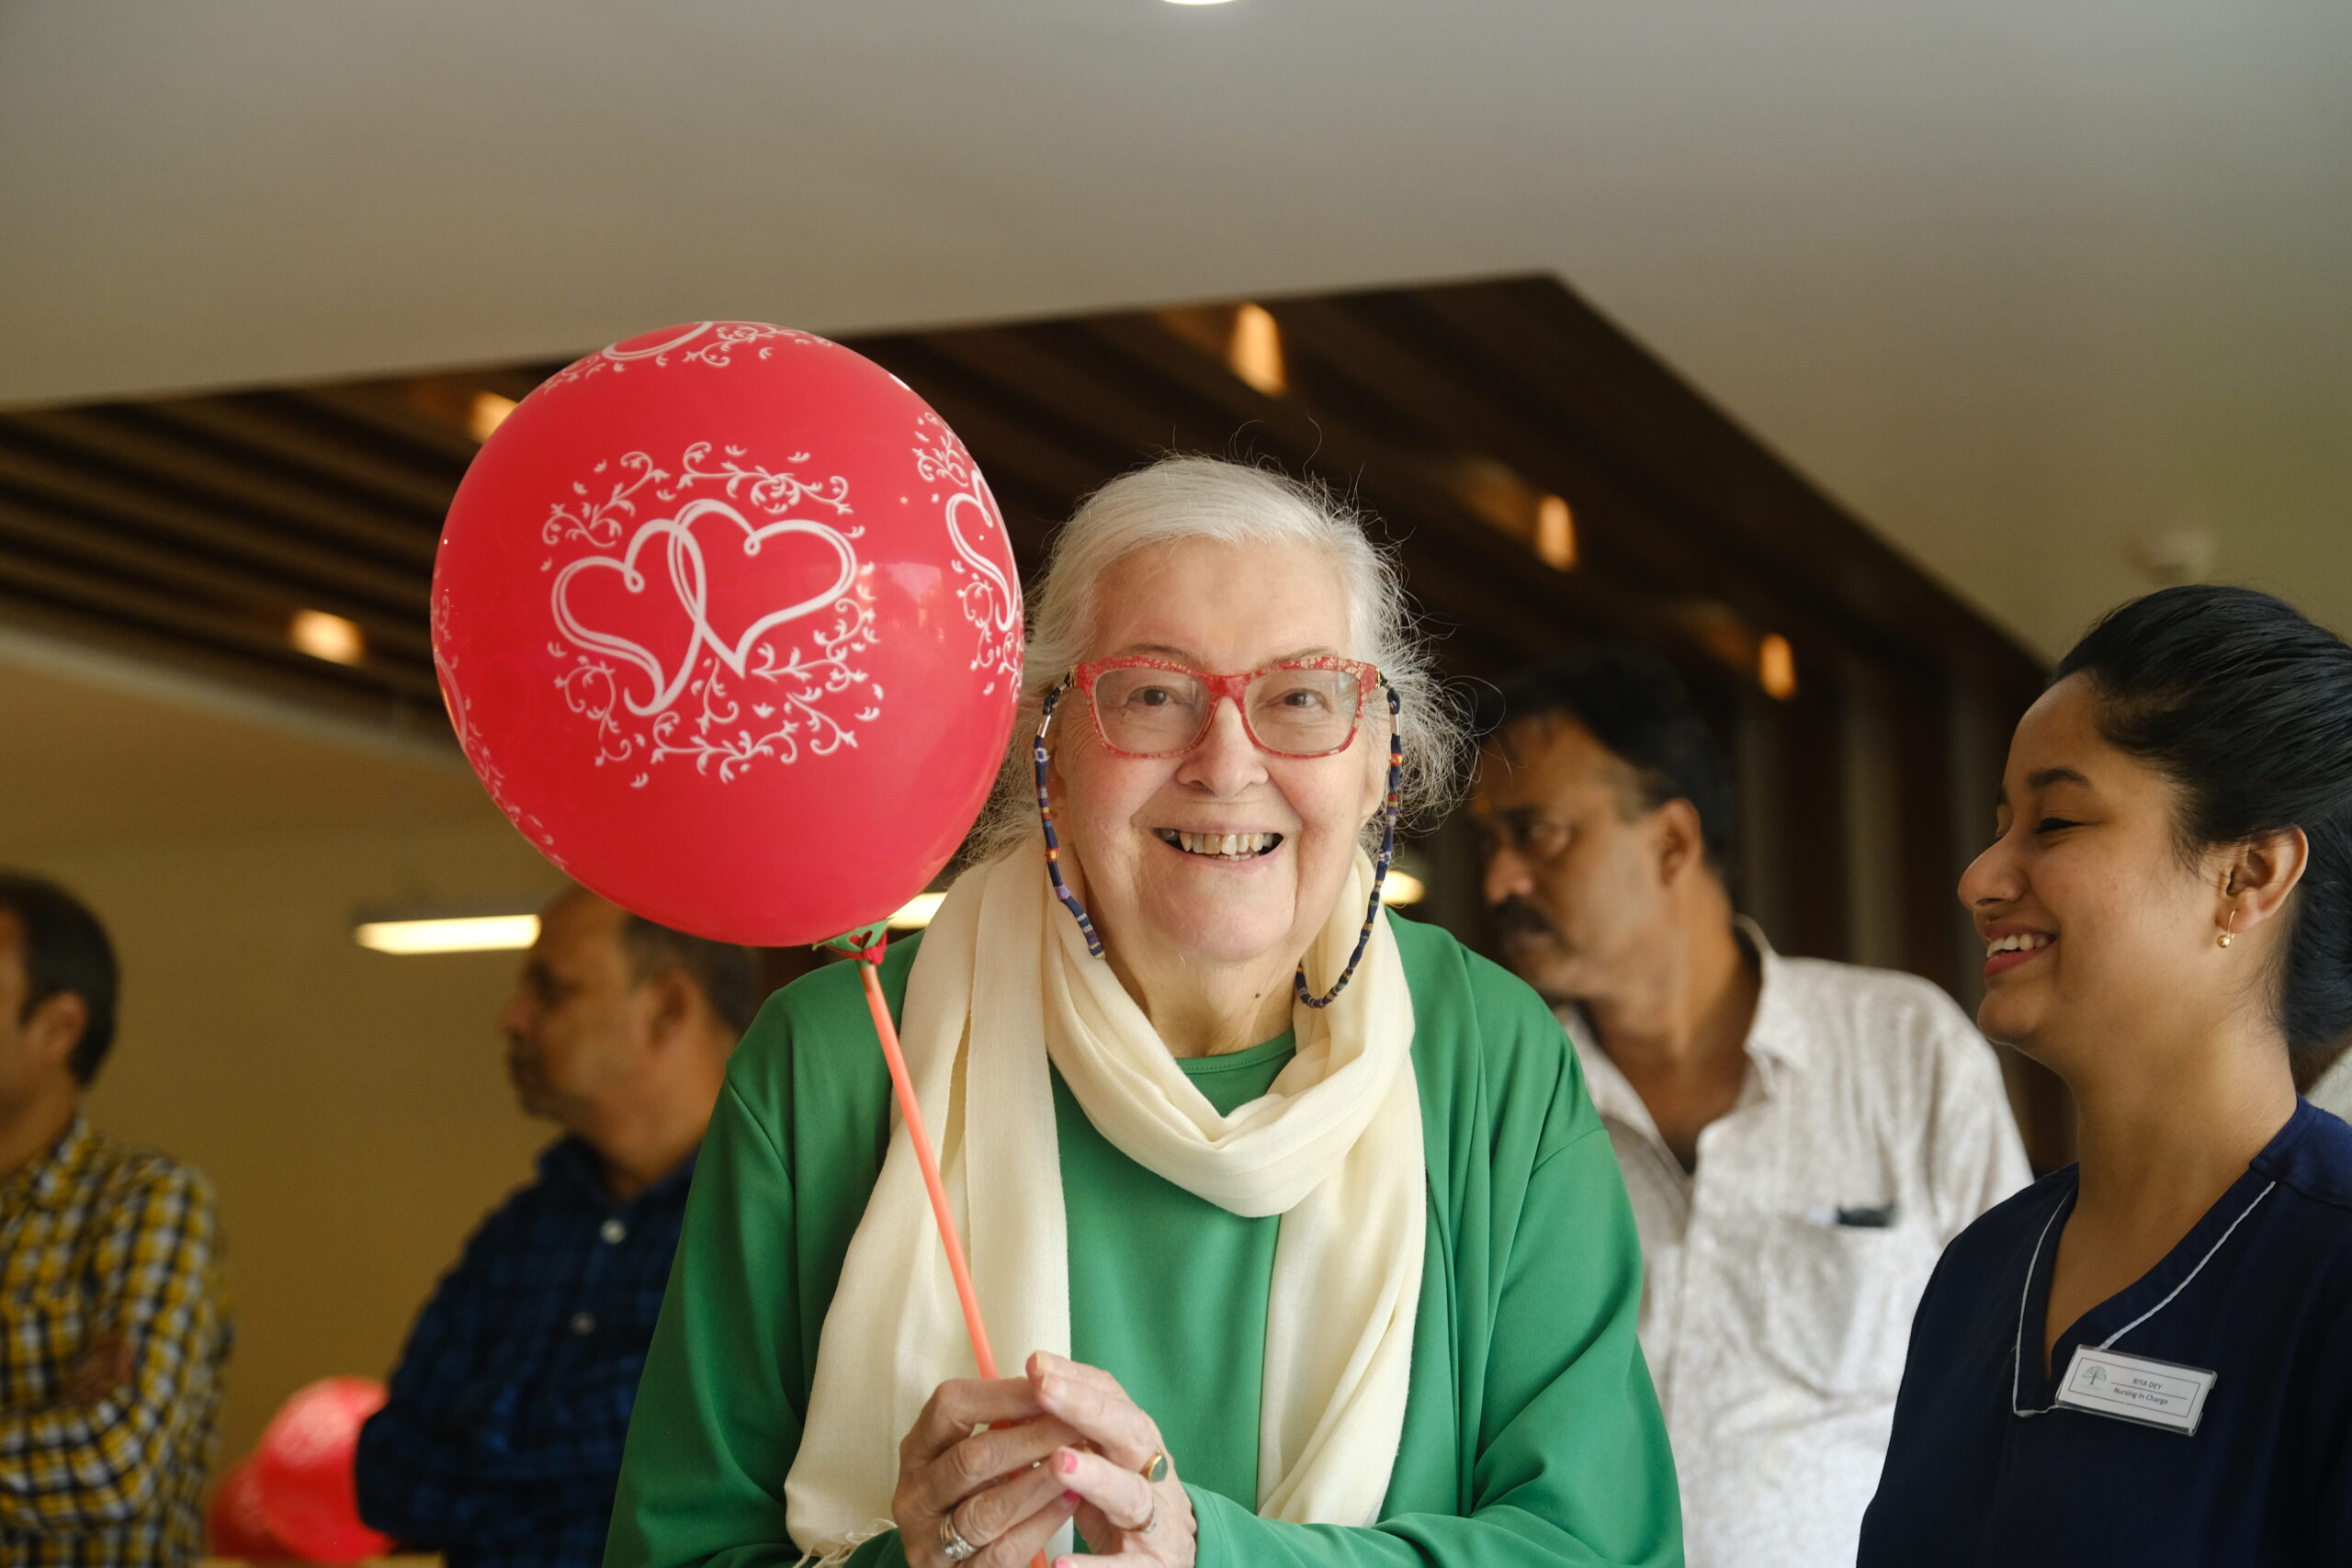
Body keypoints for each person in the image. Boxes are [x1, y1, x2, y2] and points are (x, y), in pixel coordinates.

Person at [608, 457, 1681, 1568]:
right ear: (1050, 749)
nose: (1226, 766)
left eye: (1300, 698)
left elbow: (1599, 1550)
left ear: (1375, 764)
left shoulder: (1490, 1058)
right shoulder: (833, 1062)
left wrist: (1207, 1554)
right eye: (1154, 695)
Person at [1468, 648, 2030, 1568]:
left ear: (1672, 844)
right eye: (1489, 844)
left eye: (1538, 833)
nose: (1500, 883)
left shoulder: (1901, 1048)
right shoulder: (1505, 1095)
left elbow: (2011, 1376)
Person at [1860, 585, 2352, 1565]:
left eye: (2053, 825)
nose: (1978, 878)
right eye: (2001, 823)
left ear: (2247, 876)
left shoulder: (2330, 1271)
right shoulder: (1977, 1274)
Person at [355, 887, 757, 1568]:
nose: (511, 1019)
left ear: (666, 1007)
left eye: (551, 990)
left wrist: (480, 1435)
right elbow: (386, 1474)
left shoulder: (773, 1216)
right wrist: (598, 1458)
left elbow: (727, 1458)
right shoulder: (517, 1233)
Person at [0, 871, 230, 1568]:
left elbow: (115, 1461)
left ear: (59, 1026)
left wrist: (85, 1434)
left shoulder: (146, 1200)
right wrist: (45, 1422)